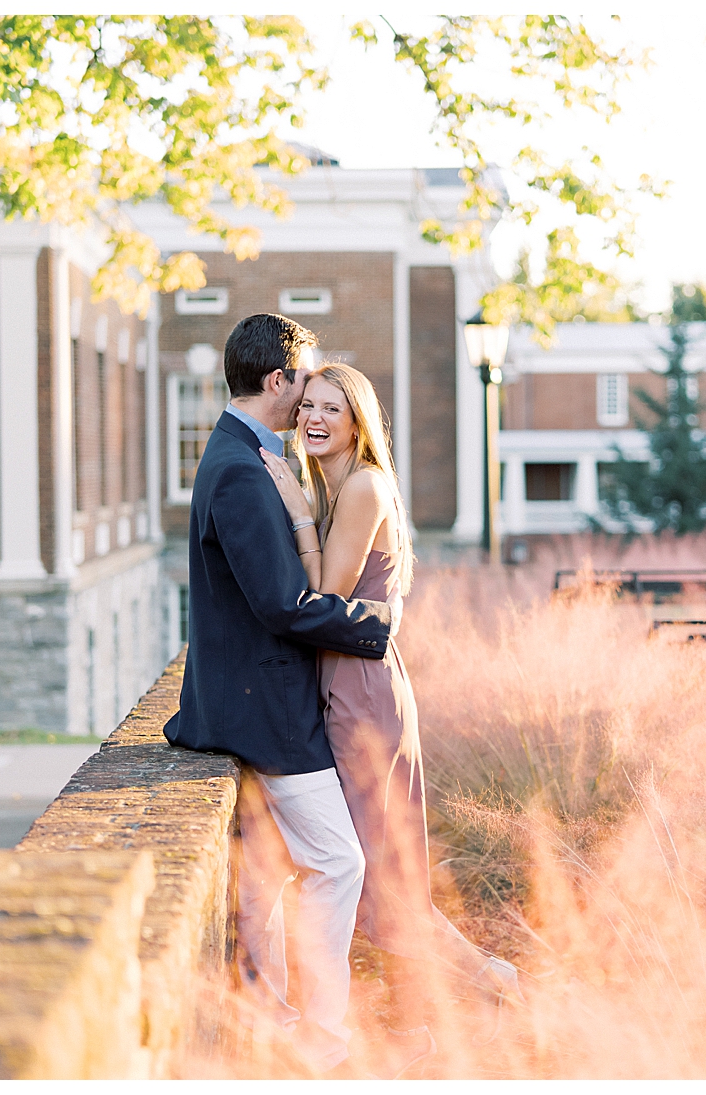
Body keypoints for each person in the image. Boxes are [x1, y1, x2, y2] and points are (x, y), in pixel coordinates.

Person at [259, 361, 523, 1077]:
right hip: (353, 685)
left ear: (358, 421)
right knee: (382, 878)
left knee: (388, 881)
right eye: (307, 404)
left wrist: (293, 508)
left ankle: (486, 987)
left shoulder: (364, 486)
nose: (314, 417)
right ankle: (434, 1019)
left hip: (364, 695)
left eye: (331, 408)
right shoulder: (339, 485)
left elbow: (322, 594)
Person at [162, 314, 393, 1076]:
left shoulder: (248, 454)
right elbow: (281, 605)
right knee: (340, 863)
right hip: (264, 708)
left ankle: (277, 1020)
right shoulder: (238, 466)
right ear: (278, 380)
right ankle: (320, 1040)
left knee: (271, 874)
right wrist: (375, 623)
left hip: (259, 698)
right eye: (305, 382)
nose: (308, 402)